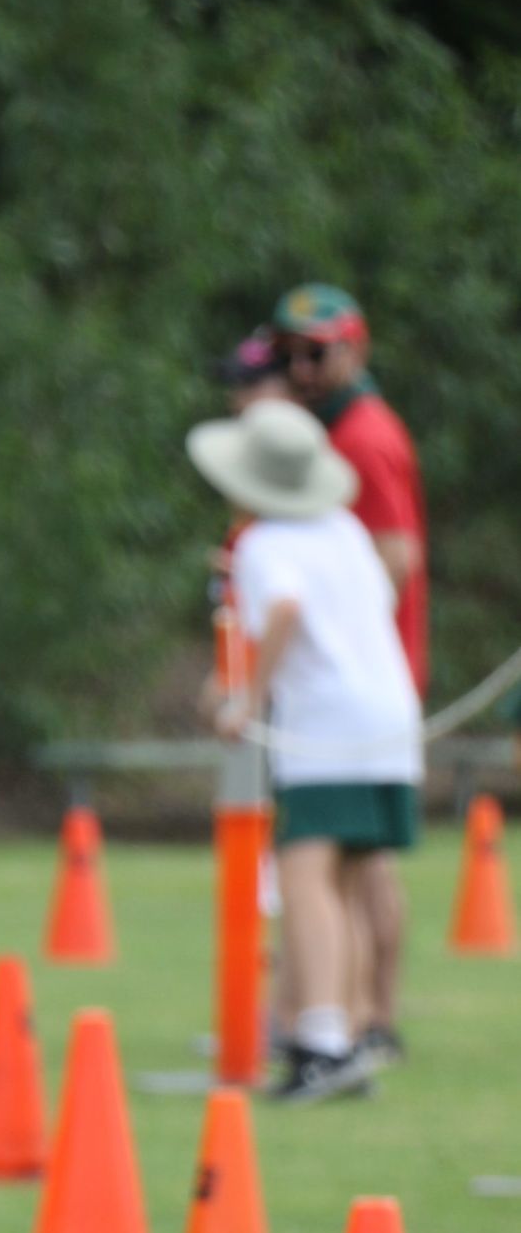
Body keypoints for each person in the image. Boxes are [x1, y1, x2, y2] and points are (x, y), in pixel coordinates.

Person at [188, 397, 422, 1103]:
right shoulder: (345, 530)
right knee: (344, 880)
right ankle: (340, 1034)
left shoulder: (263, 545)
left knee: (305, 876)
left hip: (327, 726)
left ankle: (320, 1043)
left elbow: (285, 610)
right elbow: (377, 602)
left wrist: (246, 700)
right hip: (390, 713)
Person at [273, 284, 428, 1057]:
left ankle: (368, 1021)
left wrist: (343, 637)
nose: (301, 369)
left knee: (356, 869)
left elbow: (397, 554)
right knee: (356, 864)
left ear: (355, 349)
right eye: (289, 354)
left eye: (317, 353)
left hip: (361, 685)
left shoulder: (363, 436)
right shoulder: (340, 427)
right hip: (367, 683)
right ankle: (357, 1019)